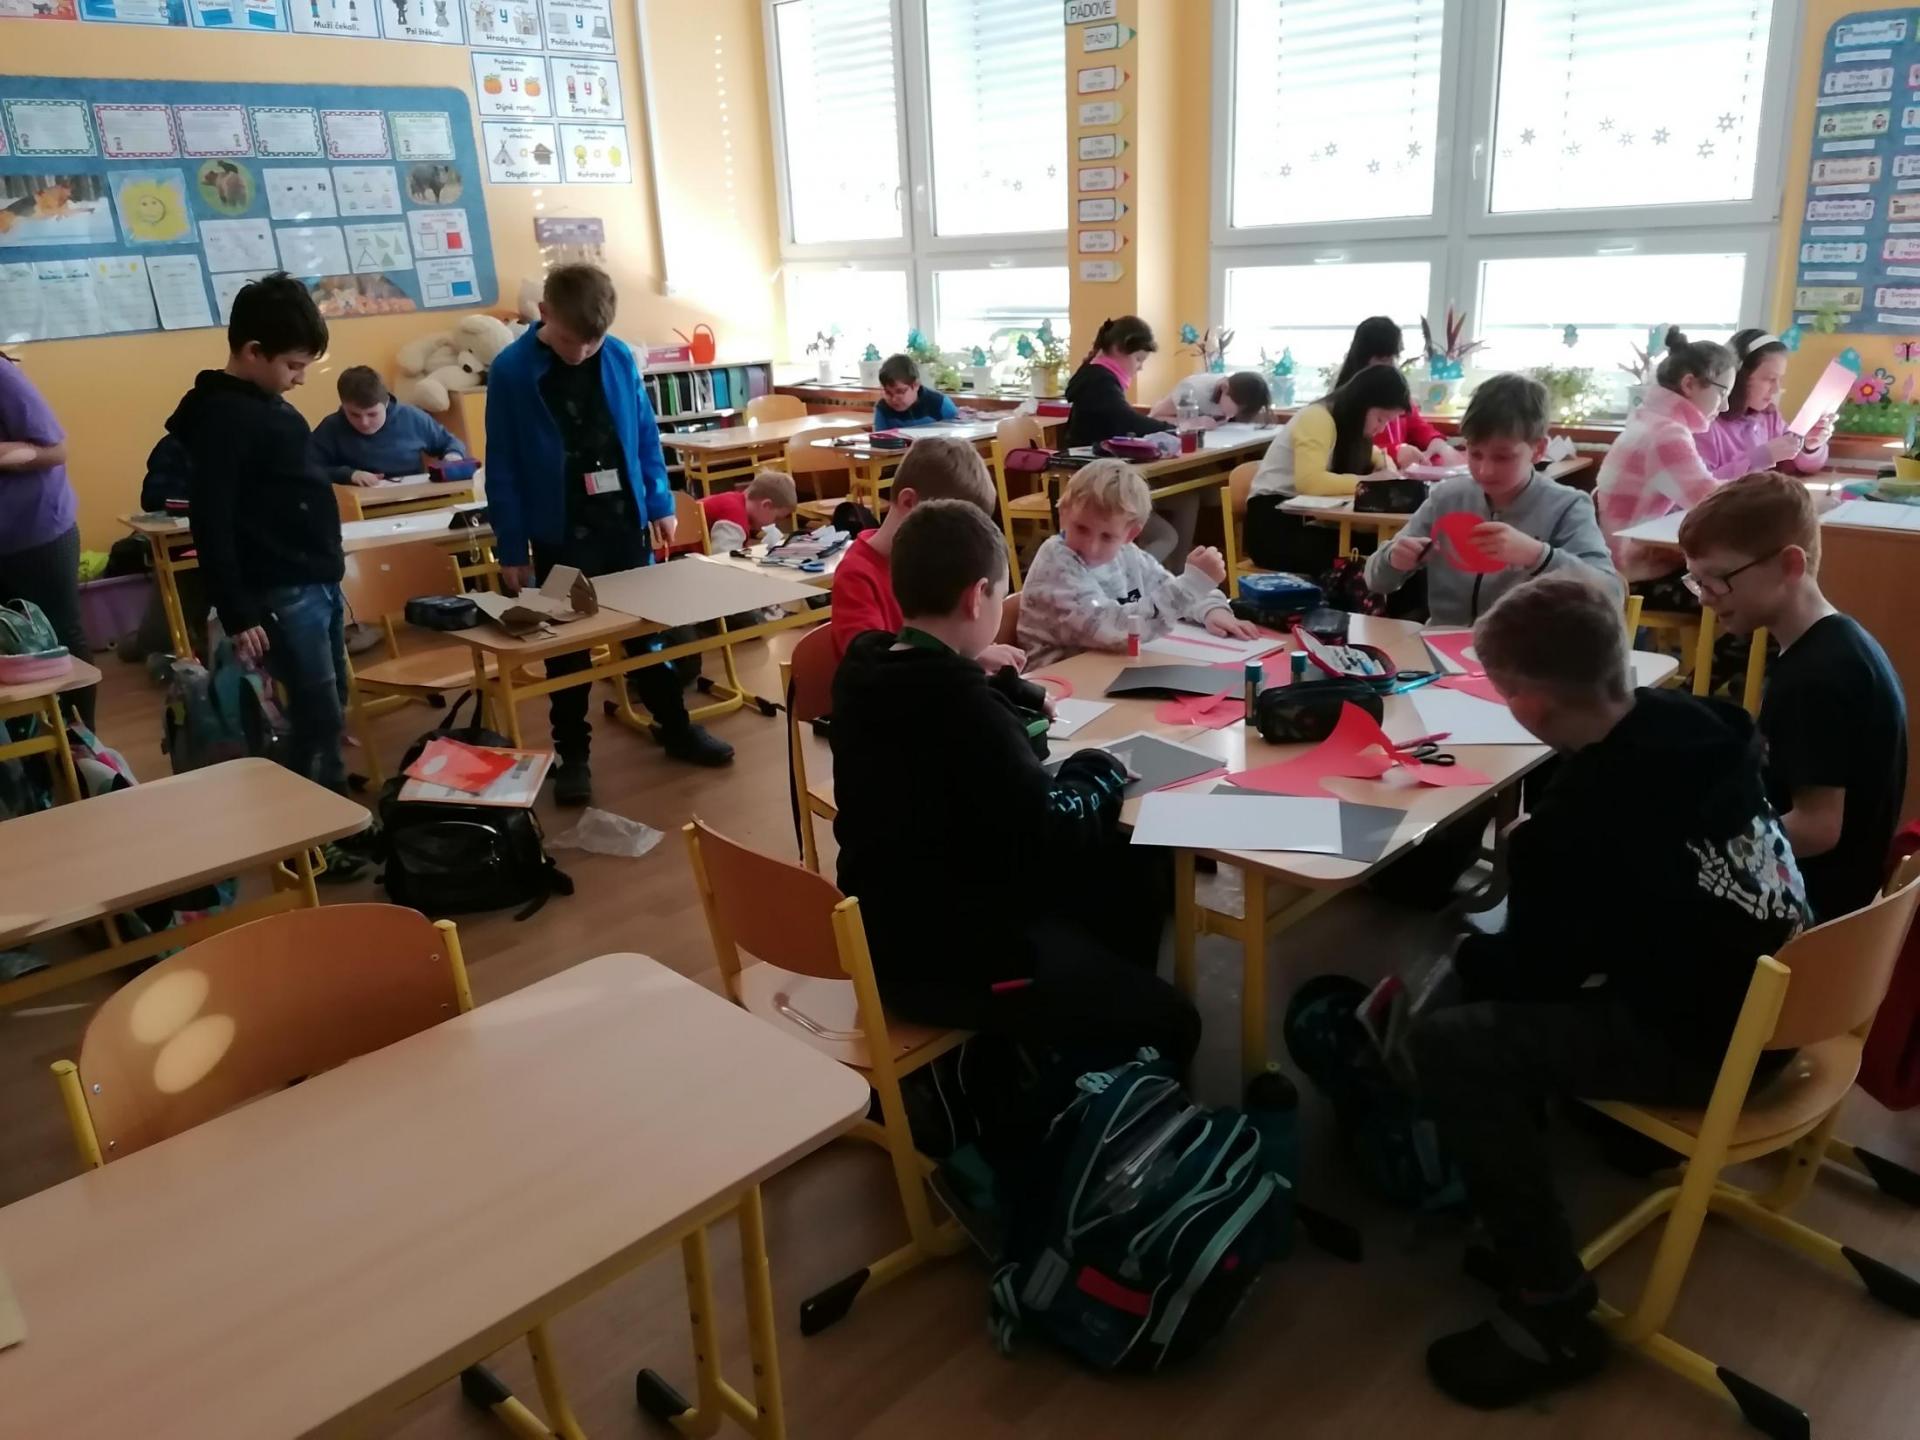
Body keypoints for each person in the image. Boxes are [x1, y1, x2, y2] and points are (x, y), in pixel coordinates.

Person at [1408, 572, 1808, 1412]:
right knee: (1500, 988)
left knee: (1451, 1039)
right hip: (1789, 1007)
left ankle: (1549, 1301)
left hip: (1710, 1046)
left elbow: (1534, 976)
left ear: (1530, 706)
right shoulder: (1703, 726)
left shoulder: (1577, 824)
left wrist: (1471, 952)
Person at [831, 497, 1201, 1072]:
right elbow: (1054, 824)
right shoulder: (967, 712)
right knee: (1176, 1020)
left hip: (889, 921)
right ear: (977, 596)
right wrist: (1095, 768)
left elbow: (938, 700)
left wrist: (1002, 692)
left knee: (1126, 867)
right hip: (954, 959)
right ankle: (1075, 1078)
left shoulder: (866, 670)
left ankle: (1068, 1024)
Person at [484, 263, 733, 804]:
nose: (581, 352)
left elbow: (643, 435)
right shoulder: (511, 370)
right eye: (570, 341)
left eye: (592, 342)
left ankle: (675, 727)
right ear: (544, 314)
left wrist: (660, 502)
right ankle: (573, 754)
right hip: (559, 532)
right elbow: (502, 465)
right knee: (567, 648)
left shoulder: (618, 356)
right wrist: (512, 547)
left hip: (623, 522)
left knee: (648, 633)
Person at [163, 275, 360, 844]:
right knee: (312, 710)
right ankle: (314, 832)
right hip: (281, 589)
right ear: (253, 352)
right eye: (294, 365)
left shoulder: (263, 404)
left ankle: (331, 797)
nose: (301, 378)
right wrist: (238, 610)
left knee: (330, 701)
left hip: (314, 579)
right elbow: (212, 520)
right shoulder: (224, 417)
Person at [1680, 472, 1907, 922]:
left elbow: (1818, 828)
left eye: (1718, 579)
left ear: (1790, 565)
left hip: (1810, 908)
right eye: (1697, 581)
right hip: (1830, 892)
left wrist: (1704, 843)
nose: (1705, 598)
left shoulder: (1816, 679)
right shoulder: (1840, 642)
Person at [1366, 373, 1619, 625]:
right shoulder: (1446, 498)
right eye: (1475, 454)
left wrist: (1537, 555)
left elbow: (1610, 593)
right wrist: (1393, 560)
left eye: (1503, 457)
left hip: (1525, 647)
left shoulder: (1567, 506)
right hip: (1441, 641)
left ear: (1539, 449)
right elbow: (1375, 581)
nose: (1485, 470)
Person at [1017, 458, 1259, 668]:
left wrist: (1210, 609)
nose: (1092, 546)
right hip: (1060, 683)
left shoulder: (1127, 554)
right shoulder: (1056, 562)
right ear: (1063, 514)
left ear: (1130, 535)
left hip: (1110, 668)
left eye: (1107, 537)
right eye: (1081, 528)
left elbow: (1166, 586)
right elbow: (1112, 629)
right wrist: (1191, 586)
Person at [828, 435, 1024, 671]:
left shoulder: (938, 564)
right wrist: (969, 658)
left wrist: (975, 649)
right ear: (909, 503)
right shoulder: (857, 575)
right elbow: (875, 665)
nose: (961, 545)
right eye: (951, 529)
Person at [1594, 327, 1736, 597]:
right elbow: (1712, 502)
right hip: (1633, 573)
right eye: (1722, 393)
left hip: (1618, 560)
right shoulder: (1666, 435)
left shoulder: (1648, 420)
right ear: (1689, 384)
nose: (1725, 406)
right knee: (1744, 588)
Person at [0, 350, 93, 727]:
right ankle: (33, 750)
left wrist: (5, 454)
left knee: (59, 640)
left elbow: (56, 451)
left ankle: (82, 744)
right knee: (8, 651)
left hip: (37, 533)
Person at [1246, 363, 1410, 574]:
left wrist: (1386, 468)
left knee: (1389, 550)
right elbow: (1310, 482)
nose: (1381, 428)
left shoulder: (1348, 427)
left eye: (1388, 422)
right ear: (1361, 403)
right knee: (1376, 557)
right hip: (1273, 528)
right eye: (1380, 418)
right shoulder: (1317, 418)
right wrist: (1370, 481)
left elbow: (1378, 456)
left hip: (1307, 521)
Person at [1064, 316, 1192, 566]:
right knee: (1166, 537)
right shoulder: (1099, 380)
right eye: (1139, 359)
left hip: (1110, 476)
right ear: (1118, 349)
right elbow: (1127, 422)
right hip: (1098, 486)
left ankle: (1174, 580)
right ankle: (1126, 578)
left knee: (1187, 498)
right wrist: (1172, 429)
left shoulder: (1099, 377)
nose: (1140, 367)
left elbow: (1123, 423)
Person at [1694, 329, 1833, 482]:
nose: (1777, 389)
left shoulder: (1770, 417)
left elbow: (1802, 466)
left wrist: (1810, 447)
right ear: (1739, 376)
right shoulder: (1706, 424)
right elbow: (1701, 485)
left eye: (1779, 379)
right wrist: (1759, 458)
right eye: (1770, 379)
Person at [1334, 316, 1460, 469]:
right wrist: (1395, 451)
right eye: (1383, 358)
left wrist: (1436, 442)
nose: (1391, 365)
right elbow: (1350, 450)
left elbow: (1417, 426)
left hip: (1398, 473)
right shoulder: (1347, 401)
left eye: (1395, 357)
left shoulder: (1394, 388)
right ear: (1362, 358)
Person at [309, 365, 463, 486]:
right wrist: (349, 475)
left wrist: (453, 457)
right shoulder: (332, 426)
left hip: (413, 496)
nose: (364, 422)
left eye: (372, 414)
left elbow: (450, 442)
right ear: (343, 406)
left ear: (386, 403)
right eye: (354, 415)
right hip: (359, 504)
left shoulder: (412, 417)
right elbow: (308, 466)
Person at [700, 469, 796, 553]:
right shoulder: (734, 516)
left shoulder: (735, 500)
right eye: (776, 518)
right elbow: (724, 558)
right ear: (766, 505)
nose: (775, 524)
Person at [1148, 370, 1273, 425]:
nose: (1234, 414)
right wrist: (1192, 423)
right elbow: (1154, 417)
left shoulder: (1232, 396)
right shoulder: (1192, 389)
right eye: (1239, 407)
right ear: (1225, 388)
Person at [872, 353, 960, 430]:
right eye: (888, 393)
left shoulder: (940, 404)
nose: (894, 399)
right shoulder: (882, 408)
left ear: (916, 385)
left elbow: (958, 438)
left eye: (900, 392)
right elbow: (878, 441)